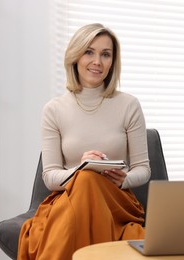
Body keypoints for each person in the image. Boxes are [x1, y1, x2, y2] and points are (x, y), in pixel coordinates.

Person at [17, 23, 151, 260]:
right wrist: (80, 169)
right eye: (89, 51)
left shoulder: (129, 105)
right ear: (75, 57)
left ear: (112, 62)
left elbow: (143, 169)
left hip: (116, 201)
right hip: (70, 198)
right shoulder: (54, 110)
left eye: (105, 54)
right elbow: (50, 177)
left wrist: (125, 179)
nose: (97, 61)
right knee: (87, 179)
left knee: (89, 182)